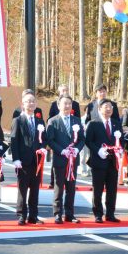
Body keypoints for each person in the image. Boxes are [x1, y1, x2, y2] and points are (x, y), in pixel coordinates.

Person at [46, 95, 84, 224]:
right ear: (58, 105)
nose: (67, 106)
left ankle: (70, 214)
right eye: (64, 103)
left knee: (71, 188)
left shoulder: (77, 121)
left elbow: (82, 139)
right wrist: (62, 151)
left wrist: (77, 149)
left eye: (69, 103)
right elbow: (50, 140)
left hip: (73, 159)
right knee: (59, 187)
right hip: (60, 158)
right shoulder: (53, 121)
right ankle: (57, 213)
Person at [10, 92, 47, 225]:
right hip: (23, 161)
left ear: (36, 104)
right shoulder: (17, 120)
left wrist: (43, 147)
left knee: (35, 190)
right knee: (22, 189)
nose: (31, 104)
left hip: (36, 161)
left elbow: (43, 138)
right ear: (23, 104)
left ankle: (33, 216)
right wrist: (16, 159)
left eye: (33, 101)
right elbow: (13, 141)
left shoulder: (40, 121)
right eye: (28, 101)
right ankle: (21, 215)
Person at [85, 99, 122, 223]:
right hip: (98, 161)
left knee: (112, 189)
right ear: (99, 109)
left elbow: (120, 141)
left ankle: (110, 214)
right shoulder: (93, 123)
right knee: (98, 189)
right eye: (106, 106)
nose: (108, 109)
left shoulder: (117, 123)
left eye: (110, 107)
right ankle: (98, 214)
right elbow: (88, 141)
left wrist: (120, 149)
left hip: (113, 162)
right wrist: (98, 150)